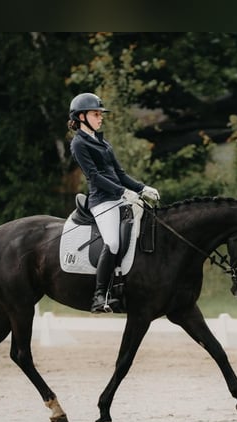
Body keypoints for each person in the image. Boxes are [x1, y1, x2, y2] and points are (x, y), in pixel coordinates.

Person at [67, 92, 160, 313]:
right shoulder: (79, 144)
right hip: (102, 202)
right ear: (81, 116)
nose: (100, 118)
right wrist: (124, 192)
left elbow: (120, 173)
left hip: (119, 197)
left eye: (101, 114)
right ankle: (100, 295)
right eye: (95, 114)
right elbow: (94, 177)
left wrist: (142, 188)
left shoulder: (103, 142)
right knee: (113, 242)